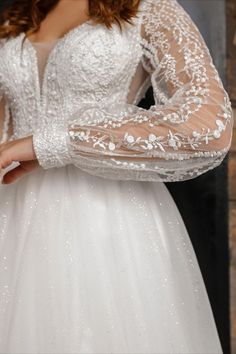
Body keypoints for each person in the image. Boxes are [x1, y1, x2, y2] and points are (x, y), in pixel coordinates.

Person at [0, 0, 233, 352]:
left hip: (106, 222)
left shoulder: (152, 9)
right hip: (10, 215)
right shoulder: (20, 14)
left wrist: (58, 143)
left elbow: (208, 126)